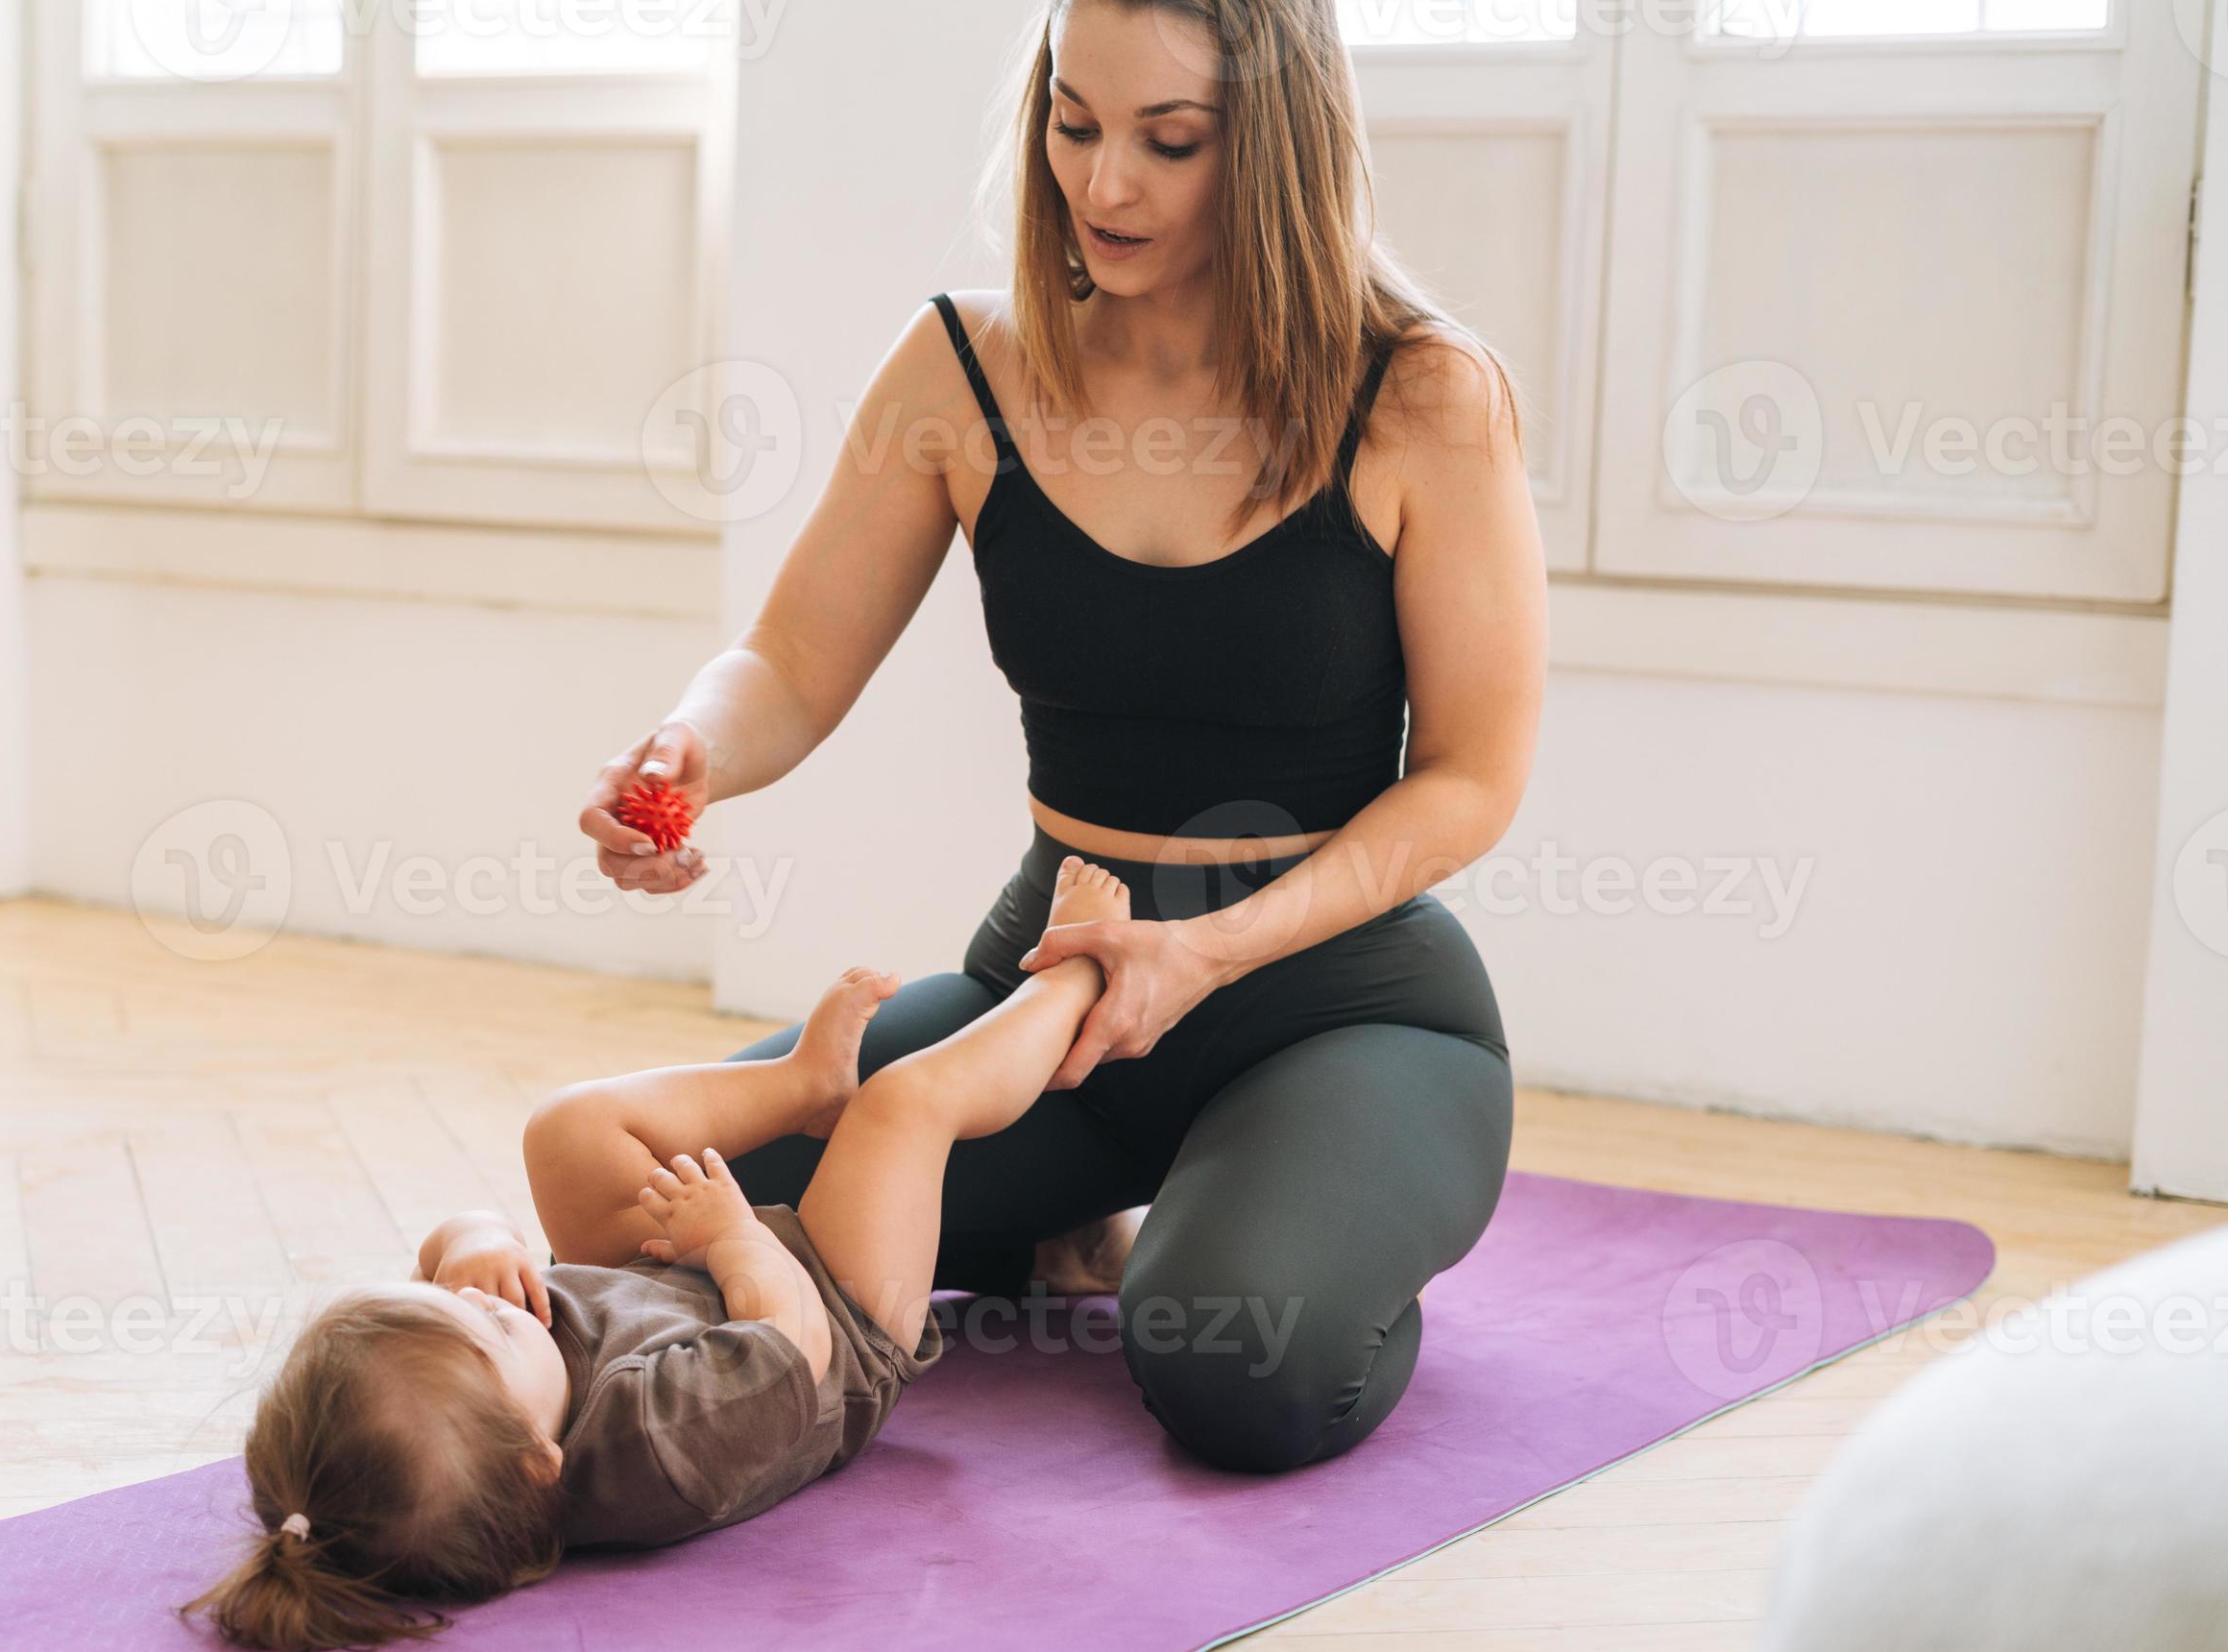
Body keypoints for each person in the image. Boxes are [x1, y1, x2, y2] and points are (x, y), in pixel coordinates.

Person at [577, 0, 1546, 1473]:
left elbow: (1475, 777)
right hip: (1044, 1002)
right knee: (647, 1207)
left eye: (1171, 142)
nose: (1103, 187)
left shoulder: (1420, 394)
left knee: (1240, 1366)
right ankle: (1068, 1228)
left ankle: (1314, 1220)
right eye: (1074, 122)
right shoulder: (965, 367)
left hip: (1336, 1004)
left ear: (1278, 147)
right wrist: (686, 751)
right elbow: (786, 661)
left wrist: (1208, 952)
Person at [187, 862, 1141, 1652]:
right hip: (834, 1315)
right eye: (486, 1328)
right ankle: (1073, 982)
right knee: (905, 1105)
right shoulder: (656, 1446)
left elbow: (453, 1257)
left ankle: (802, 1085)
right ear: (538, 1464)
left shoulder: (479, 1396)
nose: (486, 1303)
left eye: (457, 1306)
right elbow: (792, 1343)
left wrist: (473, 1239)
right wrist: (731, 1240)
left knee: (565, 1129)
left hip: (669, 1284)